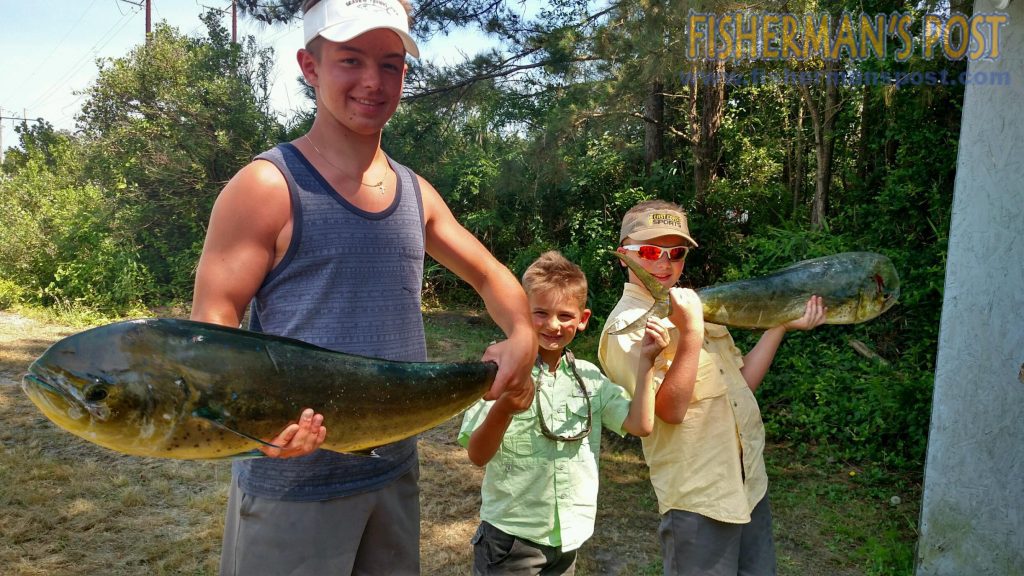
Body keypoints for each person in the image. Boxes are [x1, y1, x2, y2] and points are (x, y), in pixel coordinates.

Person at [190, 0, 536, 573]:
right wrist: (252, 418)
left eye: (392, 64)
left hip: (393, 471)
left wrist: (521, 331)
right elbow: (214, 323)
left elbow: (490, 274)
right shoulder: (266, 186)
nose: (374, 82)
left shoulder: (414, 192)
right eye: (351, 60)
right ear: (310, 66)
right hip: (293, 483)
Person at [597, 200, 826, 576]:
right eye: (651, 251)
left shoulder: (697, 306)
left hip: (749, 483)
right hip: (698, 500)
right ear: (624, 256)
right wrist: (690, 333)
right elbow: (667, 413)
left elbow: (743, 383)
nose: (664, 263)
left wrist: (781, 324)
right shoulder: (627, 328)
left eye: (676, 252)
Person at [458, 251, 668, 575]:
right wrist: (504, 407)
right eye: (540, 313)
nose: (553, 325)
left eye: (565, 316)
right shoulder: (502, 371)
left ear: (583, 319)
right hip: (511, 540)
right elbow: (477, 454)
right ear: (521, 314)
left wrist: (646, 363)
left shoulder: (591, 378)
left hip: (569, 540)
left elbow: (640, 425)